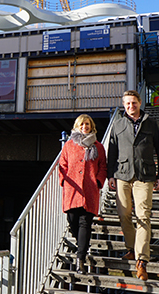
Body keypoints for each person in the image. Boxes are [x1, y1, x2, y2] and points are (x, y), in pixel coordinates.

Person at [107, 90, 159, 281]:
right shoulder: (117, 124)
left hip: (145, 175)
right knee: (124, 214)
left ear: (140, 103)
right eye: (127, 104)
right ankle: (131, 248)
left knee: (143, 215)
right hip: (123, 175)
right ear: (123, 105)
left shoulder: (151, 123)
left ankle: (141, 260)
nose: (131, 106)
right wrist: (110, 175)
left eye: (134, 103)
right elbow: (112, 153)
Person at [58, 114, 107, 274]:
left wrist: (98, 182)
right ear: (77, 126)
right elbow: (62, 164)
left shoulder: (98, 146)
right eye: (81, 124)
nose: (84, 127)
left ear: (91, 126)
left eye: (87, 124)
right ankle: (83, 245)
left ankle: (81, 260)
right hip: (72, 190)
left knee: (84, 223)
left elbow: (103, 166)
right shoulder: (69, 145)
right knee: (72, 220)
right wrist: (64, 181)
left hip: (90, 190)